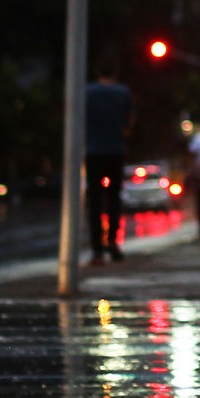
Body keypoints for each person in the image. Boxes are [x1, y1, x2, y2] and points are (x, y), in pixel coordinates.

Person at [83, 55, 137, 264]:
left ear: (97, 72)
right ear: (115, 72)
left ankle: (97, 250)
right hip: (115, 150)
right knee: (114, 199)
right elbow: (129, 121)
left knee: (95, 201)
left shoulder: (88, 92)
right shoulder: (123, 93)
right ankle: (113, 242)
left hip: (94, 150)